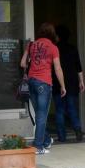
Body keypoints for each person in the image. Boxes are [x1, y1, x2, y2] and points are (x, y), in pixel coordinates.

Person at [21, 23, 66, 154]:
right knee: (41, 116)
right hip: (44, 83)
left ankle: (46, 141)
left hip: (31, 82)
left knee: (39, 115)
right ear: (52, 33)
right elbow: (58, 68)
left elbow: (22, 63)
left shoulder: (31, 45)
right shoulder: (53, 47)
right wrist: (63, 86)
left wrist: (27, 53)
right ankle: (38, 146)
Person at [52, 25, 85, 142]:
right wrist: (81, 81)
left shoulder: (54, 48)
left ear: (57, 36)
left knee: (59, 110)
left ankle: (62, 136)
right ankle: (78, 129)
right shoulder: (72, 48)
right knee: (72, 108)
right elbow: (78, 66)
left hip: (57, 82)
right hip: (72, 82)